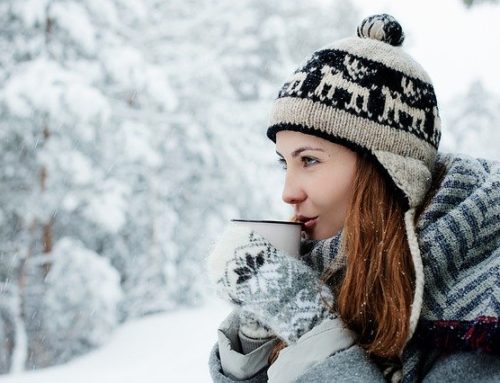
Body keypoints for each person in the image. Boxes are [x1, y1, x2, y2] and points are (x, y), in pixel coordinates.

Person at [207, 14, 500, 383]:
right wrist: (258, 330)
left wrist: (310, 330)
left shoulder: (483, 305)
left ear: (387, 170)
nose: (288, 192)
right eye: (285, 163)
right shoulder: (335, 268)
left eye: (309, 160)